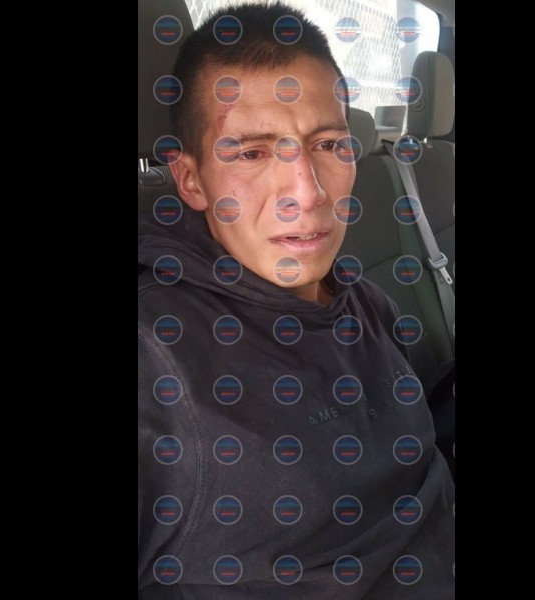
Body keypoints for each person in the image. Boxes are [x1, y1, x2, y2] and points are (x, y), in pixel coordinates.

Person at [138, 2, 454, 598]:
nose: (306, 194)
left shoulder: (367, 301)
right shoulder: (156, 358)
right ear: (191, 180)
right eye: (251, 153)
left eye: (328, 144)